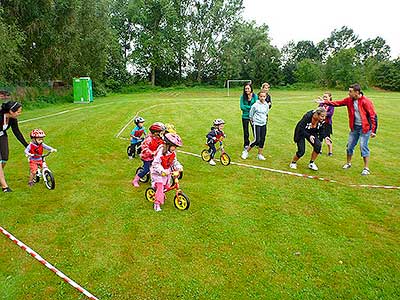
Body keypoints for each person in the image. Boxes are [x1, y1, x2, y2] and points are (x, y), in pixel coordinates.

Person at [317, 83, 377, 175]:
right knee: (349, 147)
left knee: (363, 146)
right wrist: (325, 102)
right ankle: (348, 163)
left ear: (357, 92)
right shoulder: (349, 100)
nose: (348, 93)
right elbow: (337, 103)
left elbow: (373, 116)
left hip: (365, 128)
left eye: (350, 91)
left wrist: (373, 130)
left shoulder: (366, 101)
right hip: (354, 128)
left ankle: (366, 168)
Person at [0, 101, 29, 192]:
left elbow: (17, 132)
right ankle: (5, 187)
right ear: (11, 111)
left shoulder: (12, 119)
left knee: (5, 158)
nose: (20, 114)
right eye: (18, 112)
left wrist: (27, 146)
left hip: (2, 135)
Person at [150, 133, 183, 212]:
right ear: (168, 145)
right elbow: (155, 163)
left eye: (176, 147)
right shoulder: (161, 152)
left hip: (167, 171)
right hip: (157, 172)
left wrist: (178, 167)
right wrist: (162, 171)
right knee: (160, 187)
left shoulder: (172, 153)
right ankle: (157, 204)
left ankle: (159, 191)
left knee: (167, 186)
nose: (174, 148)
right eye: (173, 146)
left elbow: (174, 162)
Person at [132, 122, 165, 187]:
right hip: (147, 157)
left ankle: (155, 179)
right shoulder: (148, 139)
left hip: (155, 156)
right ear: (155, 132)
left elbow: (162, 143)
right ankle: (135, 180)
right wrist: (152, 152)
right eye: (160, 132)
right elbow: (144, 148)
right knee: (146, 169)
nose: (161, 133)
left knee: (157, 167)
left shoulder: (158, 137)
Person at [241, 91, 269, 160]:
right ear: (258, 97)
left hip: (263, 124)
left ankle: (260, 154)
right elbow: (251, 115)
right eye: (261, 96)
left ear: (266, 97)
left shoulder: (266, 105)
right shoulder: (255, 105)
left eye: (264, 96)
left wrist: (264, 120)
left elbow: (266, 113)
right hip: (257, 124)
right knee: (257, 140)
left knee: (262, 139)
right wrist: (253, 121)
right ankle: (246, 152)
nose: (262, 98)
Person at [240, 82, 257, 157]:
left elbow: (256, 106)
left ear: (251, 89)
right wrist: (250, 108)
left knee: (255, 130)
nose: (247, 90)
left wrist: (248, 108)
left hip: (253, 117)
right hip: (245, 116)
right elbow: (242, 107)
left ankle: (256, 142)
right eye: (245, 88)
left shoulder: (255, 96)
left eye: (248, 88)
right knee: (246, 131)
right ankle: (246, 144)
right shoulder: (242, 97)